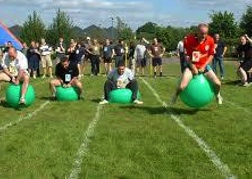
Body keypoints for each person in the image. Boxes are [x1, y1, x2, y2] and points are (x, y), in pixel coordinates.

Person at [170, 23, 223, 105]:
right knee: (182, 86)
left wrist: (204, 66)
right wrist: (193, 67)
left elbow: (211, 55)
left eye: (206, 33)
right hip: (191, 66)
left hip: (204, 66)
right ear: (197, 32)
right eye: (202, 33)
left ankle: (218, 95)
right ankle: (175, 95)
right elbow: (186, 56)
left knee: (218, 83)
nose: (204, 35)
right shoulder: (189, 39)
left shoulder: (210, 40)